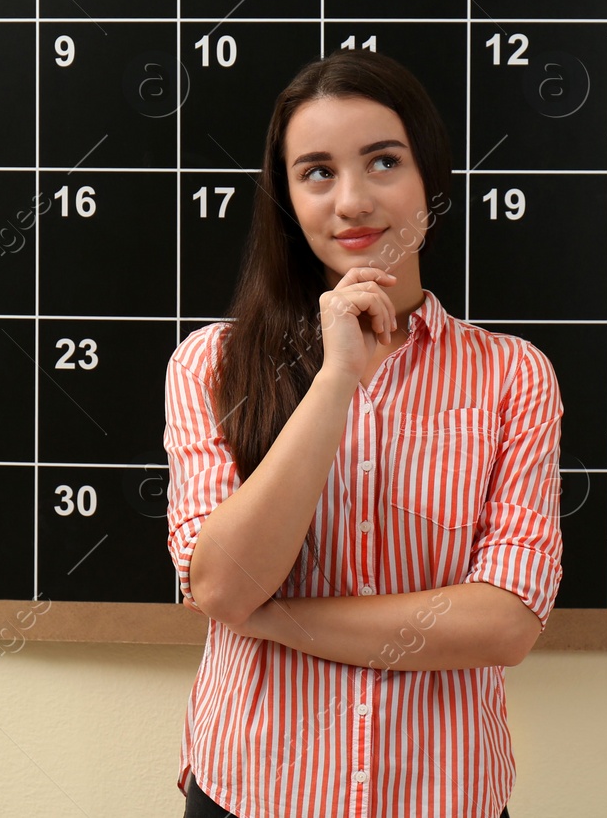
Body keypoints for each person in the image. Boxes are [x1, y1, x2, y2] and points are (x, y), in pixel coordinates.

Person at [163, 48, 565, 818]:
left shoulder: (514, 375)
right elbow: (220, 583)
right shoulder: (212, 364)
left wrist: (273, 617)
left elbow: (505, 621)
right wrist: (336, 378)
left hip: (445, 797)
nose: (351, 200)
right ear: (287, 197)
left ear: (429, 176)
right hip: (253, 790)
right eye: (317, 172)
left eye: (383, 161)